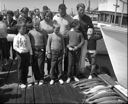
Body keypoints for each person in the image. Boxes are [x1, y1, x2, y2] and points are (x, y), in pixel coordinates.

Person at [53, 3, 73, 76]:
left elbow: (73, 26)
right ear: (58, 10)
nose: (63, 11)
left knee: (67, 55)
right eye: (62, 9)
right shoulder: (55, 17)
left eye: (64, 9)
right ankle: (58, 72)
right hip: (58, 38)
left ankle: (66, 72)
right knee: (58, 56)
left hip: (67, 38)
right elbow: (53, 27)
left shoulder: (70, 18)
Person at [13, 18, 32, 88]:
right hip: (20, 54)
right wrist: (19, 50)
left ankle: (25, 81)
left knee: (26, 68)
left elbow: (29, 45)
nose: (24, 30)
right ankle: (20, 83)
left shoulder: (26, 36)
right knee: (20, 68)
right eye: (22, 29)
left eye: (25, 29)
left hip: (26, 54)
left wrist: (31, 53)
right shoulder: (16, 37)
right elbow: (14, 46)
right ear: (18, 29)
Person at [73, 3, 94, 68]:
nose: (82, 11)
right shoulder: (75, 18)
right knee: (75, 55)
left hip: (84, 40)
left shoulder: (88, 18)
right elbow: (72, 28)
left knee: (83, 55)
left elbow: (91, 27)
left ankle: (81, 70)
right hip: (76, 40)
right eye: (80, 10)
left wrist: (90, 33)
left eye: (83, 10)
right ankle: (75, 70)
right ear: (77, 10)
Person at [28, 19, 46, 85]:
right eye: (35, 25)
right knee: (34, 65)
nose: (37, 26)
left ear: (39, 24)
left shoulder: (43, 32)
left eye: (38, 25)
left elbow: (45, 41)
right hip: (33, 51)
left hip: (41, 50)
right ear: (33, 25)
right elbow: (29, 42)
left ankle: (41, 78)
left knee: (40, 65)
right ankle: (36, 78)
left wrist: (46, 51)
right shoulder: (30, 32)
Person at [40, 10, 54, 75]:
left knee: (50, 58)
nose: (48, 17)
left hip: (51, 42)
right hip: (43, 42)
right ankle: (41, 73)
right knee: (42, 58)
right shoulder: (41, 23)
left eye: (49, 16)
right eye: (46, 16)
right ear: (44, 16)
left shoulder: (53, 23)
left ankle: (49, 71)